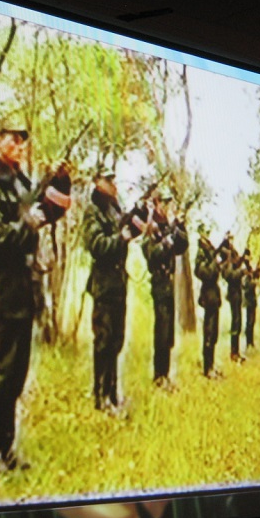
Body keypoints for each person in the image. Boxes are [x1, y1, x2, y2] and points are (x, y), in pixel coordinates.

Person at [0, 120, 68, 471]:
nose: (20, 146)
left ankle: (7, 451)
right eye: (13, 140)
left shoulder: (21, 182)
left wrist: (55, 180)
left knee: (15, 378)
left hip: (25, 293)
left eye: (23, 141)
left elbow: (44, 206)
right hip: (3, 293)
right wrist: (30, 222)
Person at [82, 171, 134, 416]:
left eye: (114, 180)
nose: (113, 184)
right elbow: (97, 245)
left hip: (118, 284)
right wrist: (120, 239)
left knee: (116, 341)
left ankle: (113, 393)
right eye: (108, 180)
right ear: (97, 183)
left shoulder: (114, 209)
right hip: (103, 284)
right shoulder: (93, 211)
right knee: (103, 341)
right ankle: (100, 396)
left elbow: (124, 232)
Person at [140, 191, 188, 390]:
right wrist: (165, 242)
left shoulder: (167, 226)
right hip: (159, 282)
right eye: (164, 203)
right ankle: (158, 376)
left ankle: (165, 374)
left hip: (169, 283)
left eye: (169, 203)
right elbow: (151, 254)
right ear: (157, 203)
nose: (167, 207)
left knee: (168, 332)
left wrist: (179, 227)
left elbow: (182, 246)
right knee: (161, 330)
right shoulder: (151, 227)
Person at [194, 226, 224, 379]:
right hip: (208, 297)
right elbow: (207, 274)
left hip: (214, 296)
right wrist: (214, 261)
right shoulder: (200, 257)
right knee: (209, 332)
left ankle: (211, 364)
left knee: (214, 334)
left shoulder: (209, 254)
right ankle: (207, 368)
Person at [222, 244, 246, 363]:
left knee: (238, 322)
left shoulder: (231, 257)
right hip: (233, 294)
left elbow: (236, 263)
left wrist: (243, 257)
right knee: (235, 323)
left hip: (237, 294)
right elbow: (230, 276)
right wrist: (241, 272)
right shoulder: (226, 260)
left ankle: (236, 351)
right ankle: (233, 353)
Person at [243, 261, 260, 351]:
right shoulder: (246, 279)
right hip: (249, 303)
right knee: (249, 323)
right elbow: (247, 289)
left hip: (252, 302)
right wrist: (253, 284)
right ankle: (248, 342)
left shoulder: (250, 277)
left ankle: (251, 341)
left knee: (252, 322)